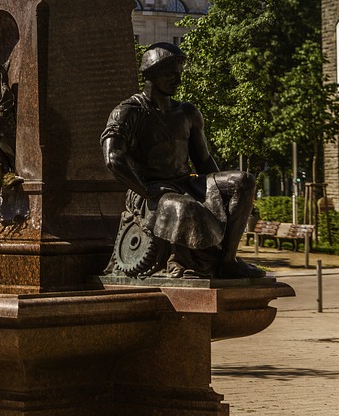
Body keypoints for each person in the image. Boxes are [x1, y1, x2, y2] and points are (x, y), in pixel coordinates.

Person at [101, 43, 262, 278]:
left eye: (179, 73)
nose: (177, 79)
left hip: (186, 182)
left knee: (244, 181)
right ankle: (181, 261)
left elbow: (204, 160)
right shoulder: (129, 111)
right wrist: (146, 191)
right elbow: (113, 157)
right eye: (170, 74)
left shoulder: (188, 113)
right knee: (186, 206)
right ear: (150, 74)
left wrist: (221, 193)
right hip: (151, 189)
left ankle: (228, 260)